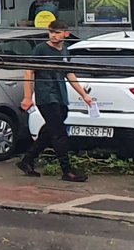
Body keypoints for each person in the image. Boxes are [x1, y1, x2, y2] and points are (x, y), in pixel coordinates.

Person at [19, 20, 95, 182]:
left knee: (49, 131)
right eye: (51, 32)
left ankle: (27, 160)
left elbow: (69, 74)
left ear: (66, 34)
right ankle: (67, 171)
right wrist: (27, 97)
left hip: (61, 96)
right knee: (59, 134)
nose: (53, 35)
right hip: (46, 96)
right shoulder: (40, 50)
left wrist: (84, 95)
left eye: (57, 32)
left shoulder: (65, 51)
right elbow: (28, 72)